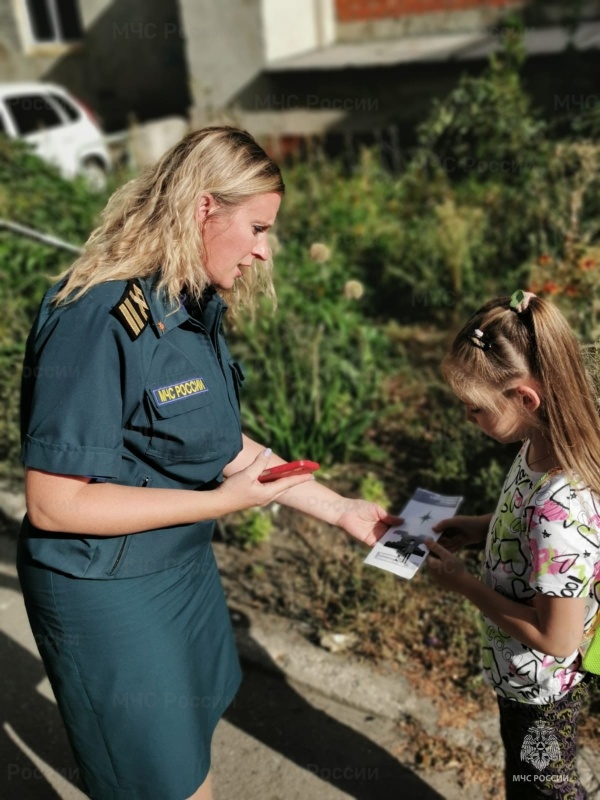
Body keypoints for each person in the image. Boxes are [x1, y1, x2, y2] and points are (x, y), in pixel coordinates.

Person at [17, 126, 400, 800]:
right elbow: (56, 502)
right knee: (159, 780)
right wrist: (224, 504)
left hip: (181, 569)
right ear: (202, 209)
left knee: (188, 758)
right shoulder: (98, 315)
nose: (263, 250)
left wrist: (339, 508)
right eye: (256, 227)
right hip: (109, 589)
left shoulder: (188, 306)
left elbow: (218, 446)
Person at [426, 290, 600, 800]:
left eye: (475, 408)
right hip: (521, 679)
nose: (467, 417)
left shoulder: (559, 510)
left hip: (541, 692)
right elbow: (527, 522)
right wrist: (480, 526)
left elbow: (557, 640)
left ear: (526, 399)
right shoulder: (538, 445)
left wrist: (464, 584)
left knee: (541, 790)